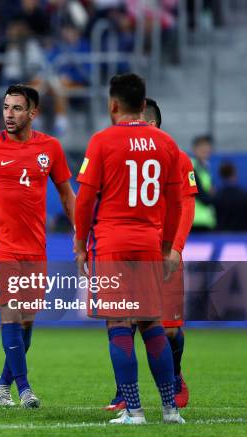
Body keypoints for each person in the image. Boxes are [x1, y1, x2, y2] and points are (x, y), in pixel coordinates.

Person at [74, 73, 185, 424]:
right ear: (143, 104)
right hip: (150, 243)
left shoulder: (103, 141)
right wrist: (168, 246)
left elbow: (85, 201)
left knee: (118, 323)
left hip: (113, 244)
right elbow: (176, 202)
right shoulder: (165, 143)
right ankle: (170, 410)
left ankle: (134, 410)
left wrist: (80, 244)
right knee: (152, 323)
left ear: (113, 105)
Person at [0, 84, 75, 408]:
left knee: (26, 323)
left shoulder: (50, 148)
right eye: (6, 107)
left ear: (33, 112)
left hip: (35, 248)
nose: (9, 114)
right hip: (2, 247)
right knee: (10, 314)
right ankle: (25, 390)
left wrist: (80, 234)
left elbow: (67, 195)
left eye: (17, 108)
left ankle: (2, 385)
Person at [104, 97, 197, 412]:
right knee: (122, 321)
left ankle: (176, 376)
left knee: (168, 329)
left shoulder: (178, 158)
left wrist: (176, 248)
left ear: (153, 124)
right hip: (128, 252)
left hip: (163, 255)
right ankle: (123, 393)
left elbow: (187, 206)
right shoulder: (117, 154)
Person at [190, 134, 216, 232]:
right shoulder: (190, 166)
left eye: (207, 146)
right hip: (194, 222)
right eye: (201, 146)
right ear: (194, 149)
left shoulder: (206, 168)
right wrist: (211, 197)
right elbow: (196, 191)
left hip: (206, 221)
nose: (205, 149)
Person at [214, 162, 247, 231]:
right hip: (241, 235)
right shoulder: (243, 195)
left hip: (221, 235)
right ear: (235, 174)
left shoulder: (217, 196)